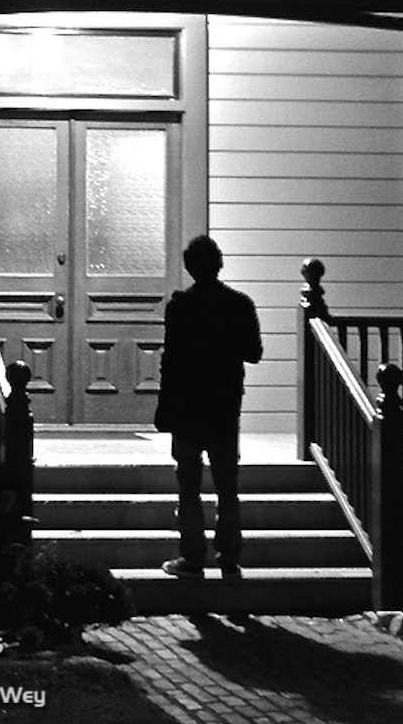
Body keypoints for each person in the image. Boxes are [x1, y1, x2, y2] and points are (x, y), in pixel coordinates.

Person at [155, 235, 263, 580]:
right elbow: (254, 352)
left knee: (188, 483)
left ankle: (192, 556)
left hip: (188, 406)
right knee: (226, 484)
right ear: (219, 264)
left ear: (189, 266)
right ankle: (229, 556)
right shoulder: (240, 304)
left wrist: (164, 407)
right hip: (224, 406)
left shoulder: (180, 307)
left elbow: (170, 362)